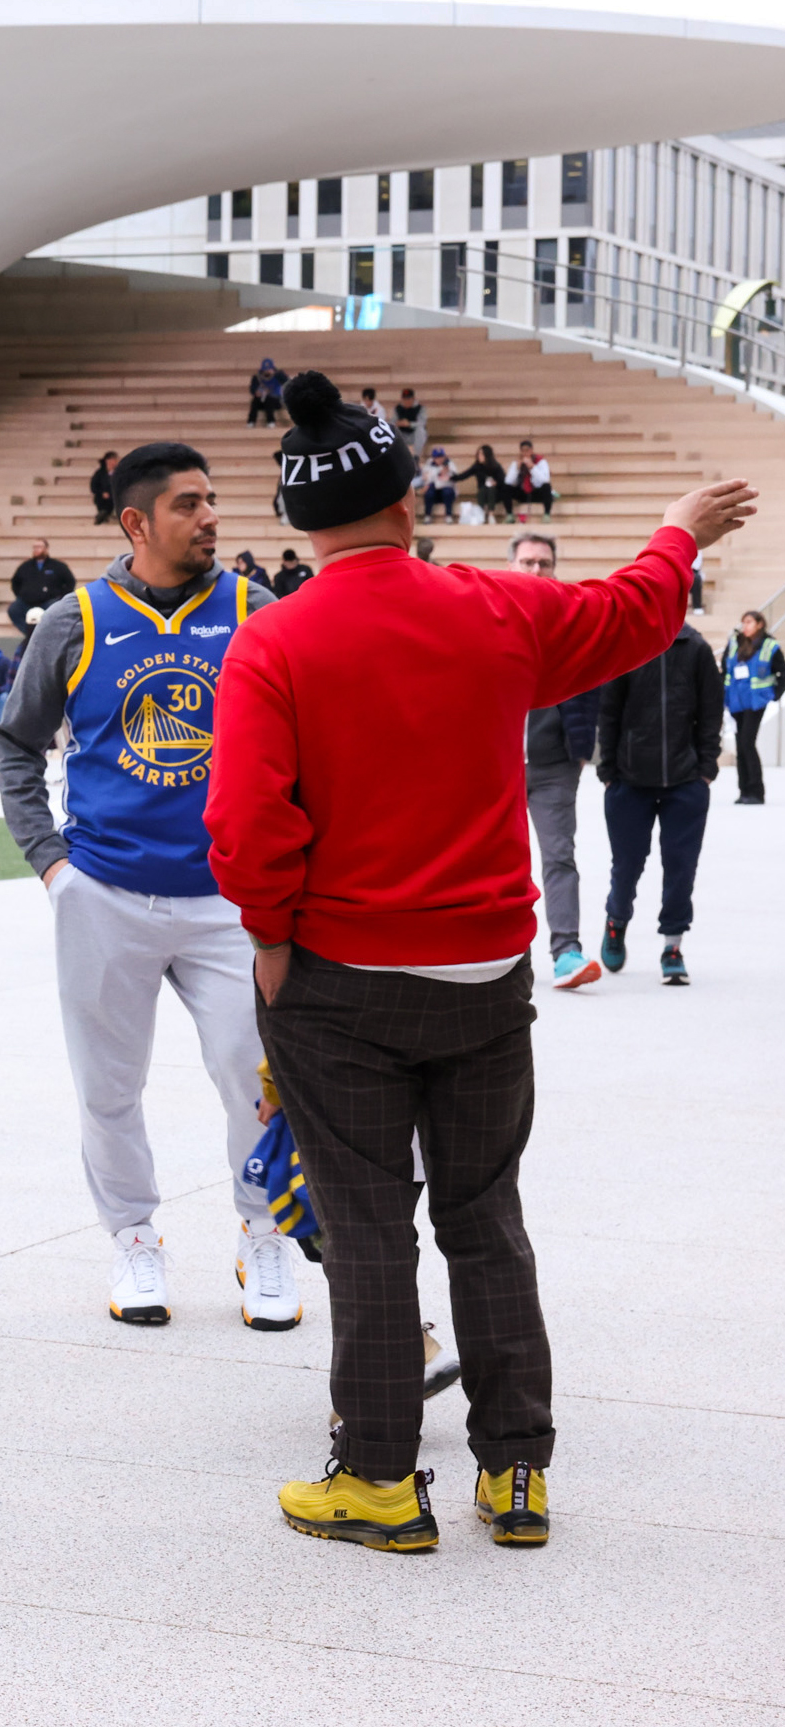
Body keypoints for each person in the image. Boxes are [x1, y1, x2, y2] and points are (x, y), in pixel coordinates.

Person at [204, 365, 752, 1552]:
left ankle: (383, 1484)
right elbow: (632, 615)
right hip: (485, 975)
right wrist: (674, 535)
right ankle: (515, 1474)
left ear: (298, 524)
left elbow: (250, 831)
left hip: (339, 979)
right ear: (409, 504)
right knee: (485, 1218)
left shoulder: (273, 645)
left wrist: (270, 942)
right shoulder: (494, 610)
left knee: (366, 1233)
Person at [0, 442, 296, 1332]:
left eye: (212, 501)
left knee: (256, 1078)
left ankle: (263, 1232)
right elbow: (18, 744)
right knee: (108, 1086)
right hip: (105, 894)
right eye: (189, 505)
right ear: (136, 521)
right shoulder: (73, 621)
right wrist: (52, 864)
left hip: (227, 902)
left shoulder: (255, 609)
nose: (211, 518)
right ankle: (133, 1238)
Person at [597, 615, 723, 987]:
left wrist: (706, 770)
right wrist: (608, 772)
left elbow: (711, 712)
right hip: (629, 781)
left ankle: (673, 946)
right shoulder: (628, 645)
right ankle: (616, 921)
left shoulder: (696, 648)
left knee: (681, 867)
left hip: (685, 783)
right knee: (627, 865)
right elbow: (609, 711)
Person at [510, 533, 604, 989]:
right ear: (511, 565)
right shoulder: (489, 618)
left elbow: (595, 682)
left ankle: (566, 951)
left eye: (544, 563)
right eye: (527, 562)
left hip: (553, 766)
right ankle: (503, 956)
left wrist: (582, 748)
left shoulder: (572, 622)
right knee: (496, 863)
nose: (535, 571)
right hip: (496, 764)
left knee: (558, 856)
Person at [723, 610, 782, 804]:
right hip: (736, 700)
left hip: (756, 701)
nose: (745, 626)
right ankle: (744, 791)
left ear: (759, 624)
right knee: (741, 744)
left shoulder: (769, 646)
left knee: (747, 742)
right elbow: (725, 669)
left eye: (749, 622)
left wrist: (775, 695)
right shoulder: (735, 643)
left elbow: (782, 672)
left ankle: (756, 791)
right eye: (743, 622)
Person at [8, 539, 76, 642]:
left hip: (48, 601)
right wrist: (21, 595)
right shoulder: (25, 567)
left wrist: (61, 597)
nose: (37, 550)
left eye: (39, 547)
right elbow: (15, 582)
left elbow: (70, 582)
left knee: (55, 610)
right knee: (13, 609)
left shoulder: (57, 566)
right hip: (27, 602)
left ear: (46, 549)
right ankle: (30, 633)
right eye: (35, 547)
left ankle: (46, 632)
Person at [504, 441, 554, 517]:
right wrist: (517, 469)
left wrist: (533, 467)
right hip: (522, 492)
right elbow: (508, 481)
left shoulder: (541, 462)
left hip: (536, 491)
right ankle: (509, 515)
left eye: (527, 450)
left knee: (547, 487)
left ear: (531, 451)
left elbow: (545, 480)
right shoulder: (516, 463)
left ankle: (547, 514)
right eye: (523, 451)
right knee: (505, 488)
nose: (525, 453)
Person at [455, 443, 506, 517]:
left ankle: (491, 513)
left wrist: (496, 483)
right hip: (483, 493)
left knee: (490, 489)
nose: (479, 456)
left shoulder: (496, 466)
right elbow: (464, 475)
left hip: (495, 494)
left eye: (481, 454)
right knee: (482, 490)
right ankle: (481, 513)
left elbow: (503, 480)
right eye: (478, 454)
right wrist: (451, 477)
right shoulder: (477, 467)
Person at [419, 447, 458, 520]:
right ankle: (427, 515)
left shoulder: (450, 464)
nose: (440, 459)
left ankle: (448, 515)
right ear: (433, 458)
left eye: (441, 457)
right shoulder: (428, 465)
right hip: (434, 493)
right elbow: (426, 478)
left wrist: (447, 473)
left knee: (447, 491)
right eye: (437, 457)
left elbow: (455, 477)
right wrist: (439, 473)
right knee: (429, 491)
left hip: (447, 493)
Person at [247, 359, 286, 428]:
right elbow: (252, 389)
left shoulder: (278, 375)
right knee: (255, 402)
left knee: (269, 400)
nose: (267, 371)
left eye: (268, 369)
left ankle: (271, 421)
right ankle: (251, 422)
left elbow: (287, 382)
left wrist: (276, 374)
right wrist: (256, 392)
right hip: (262, 400)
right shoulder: (257, 377)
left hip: (276, 400)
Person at [395, 388, 429, 458]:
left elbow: (422, 423)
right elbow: (392, 422)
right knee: (393, 430)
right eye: (405, 399)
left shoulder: (420, 408)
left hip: (414, 435)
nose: (407, 401)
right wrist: (398, 423)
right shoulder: (398, 408)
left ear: (413, 399)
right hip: (403, 435)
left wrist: (409, 424)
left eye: (409, 399)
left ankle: (416, 456)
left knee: (421, 430)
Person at [90, 450, 120, 524]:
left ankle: (105, 514)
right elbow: (93, 486)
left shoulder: (119, 472)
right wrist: (102, 492)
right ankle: (103, 514)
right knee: (101, 499)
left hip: (115, 496)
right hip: (103, 497)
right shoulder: (100, 473)